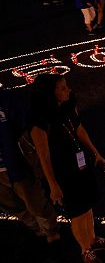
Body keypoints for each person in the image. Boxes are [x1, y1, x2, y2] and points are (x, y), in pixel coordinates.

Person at [28, 74, 105, 263]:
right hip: (63, 172)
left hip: (81, 164)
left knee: (87, 205)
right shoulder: (39, 120)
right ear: (50, 94)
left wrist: (97, 154)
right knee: (77, 212)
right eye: (62, 88)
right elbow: (44, 156)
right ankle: (85, 249)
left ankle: (92, 240)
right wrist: (53, 185)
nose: (68, 90)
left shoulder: (67, 107)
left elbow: (79, 130)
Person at [0, 91, 60, 244]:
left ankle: (52, 234)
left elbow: (29, 128)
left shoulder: (8, 100)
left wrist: (32, 159)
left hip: (17, 167)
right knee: (11, 206)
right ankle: (38, 230)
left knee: (36, 204)